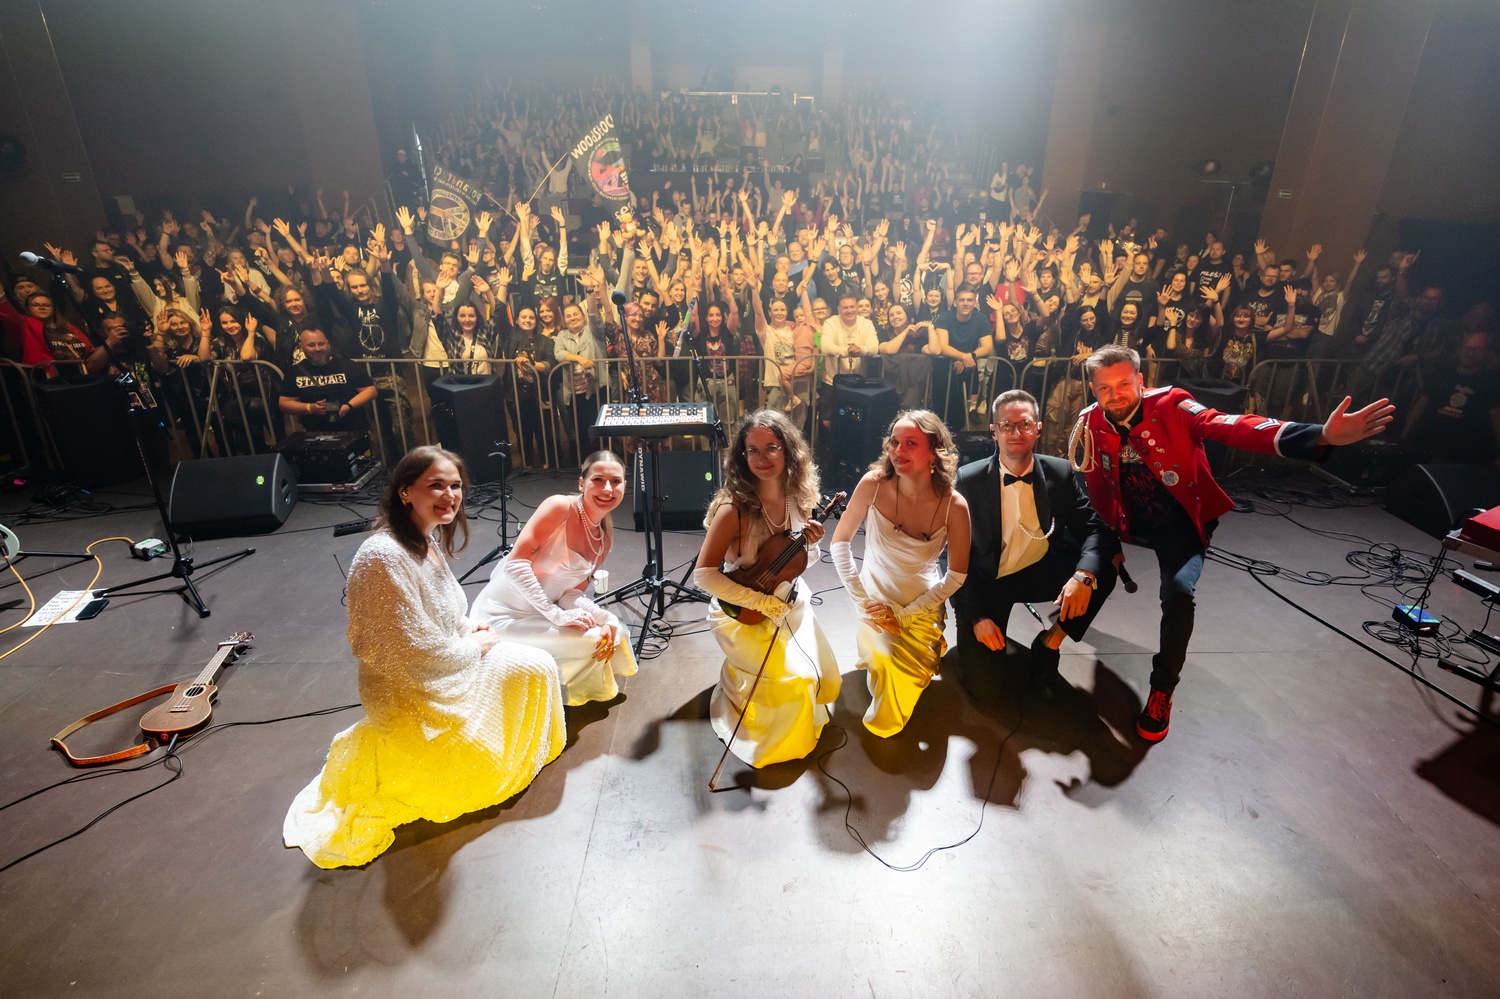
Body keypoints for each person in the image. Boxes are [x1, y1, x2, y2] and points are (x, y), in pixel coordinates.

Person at [1071, 345, 1395, 741]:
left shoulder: (1172, 404)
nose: (1115, 395)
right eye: (1105, 388)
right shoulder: (1090, 422)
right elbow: (1097, 484)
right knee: (1077, 553)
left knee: (1178, 593)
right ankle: (1052, 642)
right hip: (1129, 518)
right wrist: (1108, 540)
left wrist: (1319, 435)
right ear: (1093, 389)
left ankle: (1162, 690)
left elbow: (1230, 424)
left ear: (1141, 380)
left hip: (1178, 522)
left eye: (1123, 384)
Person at [283, 446, 564, 868]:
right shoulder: (381, 557)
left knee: (537, 666)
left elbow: (443, 612)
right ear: (405, 492)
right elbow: (404, 651)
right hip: (409, 692)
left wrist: (469, 630)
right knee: (480, 765)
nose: (450, 496)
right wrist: (473, 647)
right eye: (436, 485)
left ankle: (519, 750)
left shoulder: (424, 540)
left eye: (456, 486)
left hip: (449, 660)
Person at [692, 410, 840, 767]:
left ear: (787, 450)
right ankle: (741, 690)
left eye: (771, 447)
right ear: (742, 456)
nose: (762, 458)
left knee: (824, 677)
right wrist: (761, 602)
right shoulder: (733, 508)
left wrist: (813, 543)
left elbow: (799, 563)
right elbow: (704, 576)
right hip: (741, 610)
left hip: (789, 601)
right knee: (796, 681)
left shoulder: (799, 497)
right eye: (753, 451)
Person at [954, 390, 1118, 699]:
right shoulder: (968, 480)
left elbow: (1095, 530)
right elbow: (951, 556)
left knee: (1103, 568)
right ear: (994, 431)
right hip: (989, 581)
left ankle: (1048, 643)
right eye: (1007, 425)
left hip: (1040, 569)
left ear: (1038, 429)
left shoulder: (1060, 472)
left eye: (1025, 424)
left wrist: (1083, 575)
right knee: (985, 692)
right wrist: (976, 616)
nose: (1016, 432)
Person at [830, 411, 971, 736]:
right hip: (876, 601)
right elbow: (839, 543)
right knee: (886, 661)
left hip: (921, 607)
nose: (898, 450)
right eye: (894, 442)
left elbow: (956, 576)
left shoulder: (955, 505)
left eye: (911, 443)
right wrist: (864, 604)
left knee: (906, 674)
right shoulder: (873, 484)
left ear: (934, 452)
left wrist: (906, 615)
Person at [470, 451, 637, 705]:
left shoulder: (603, 541)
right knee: (594, 639)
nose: (607, 489)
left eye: (615, 481)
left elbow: (570, 595)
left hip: (543, 612)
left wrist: (606, 617)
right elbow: (515, 565)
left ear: (625, 485)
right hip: (503, 615)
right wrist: (556, 615)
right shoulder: (559, 506)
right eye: (598, 480)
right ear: (581, 483)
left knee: (615, 630)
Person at [277, 327, 377, 432]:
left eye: (321, 344)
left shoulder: (347, 365)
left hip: (353, 427)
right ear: (301, 348)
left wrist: (349, 406)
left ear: (328, 344)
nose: (317, 349)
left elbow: (371, 390)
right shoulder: (295, 371)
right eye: (311, 345)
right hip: (315, 431)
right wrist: (310, 408)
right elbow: (284, 403)